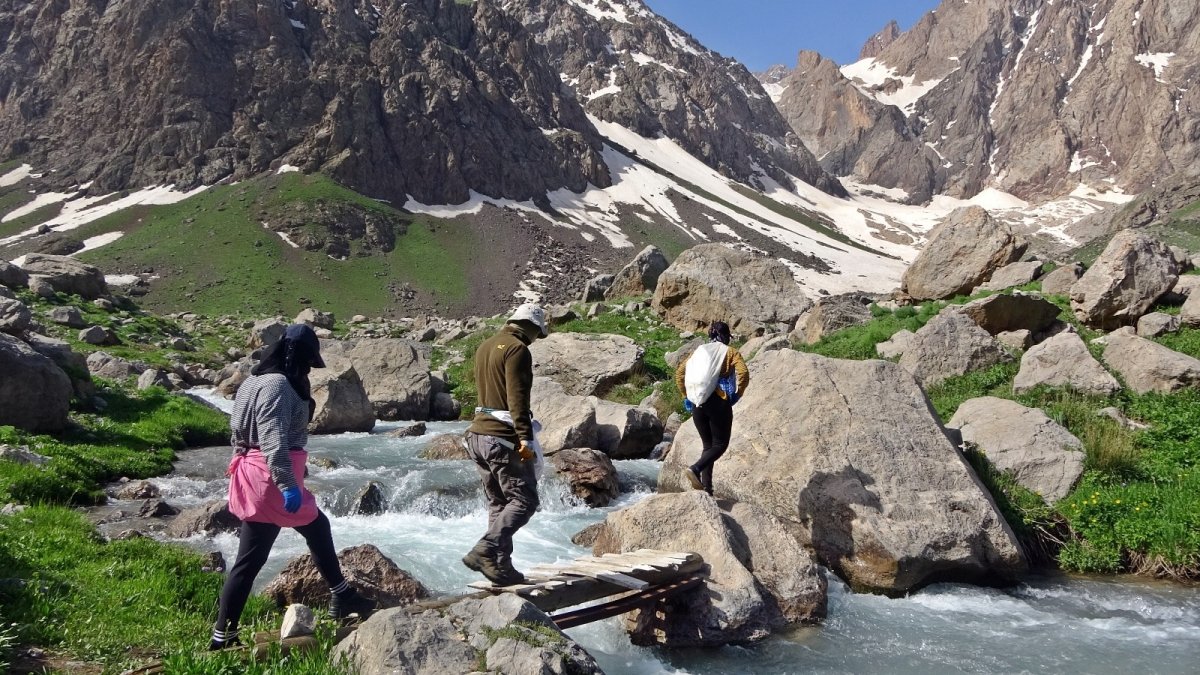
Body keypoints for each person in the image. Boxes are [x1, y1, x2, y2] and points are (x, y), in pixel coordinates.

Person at [210, 324, 374, 650]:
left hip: (251, 471)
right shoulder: (280, 386)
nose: (308, 369)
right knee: (263, 552)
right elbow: (273, 440)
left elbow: (237, 430)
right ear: (297, 356)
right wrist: (287, 484)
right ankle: (222, 638)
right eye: (307, 362)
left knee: (302, 534)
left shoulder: (252, 381)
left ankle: (341, 595)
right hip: (270, 476)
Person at [461, 303, 547, 586]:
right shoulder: (518, 349)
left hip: (477, 435)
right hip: (501, 438)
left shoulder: (485, 345)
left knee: (499, 502)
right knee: (524, 500)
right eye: (538, 333)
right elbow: (516, 398)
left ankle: (500, 567)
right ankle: (484, 549)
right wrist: (525, 438)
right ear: (530, 327)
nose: (537, 338)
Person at [674, 321, 750, 496]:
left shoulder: (698, 352)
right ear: (725, 336)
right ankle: (695, 468)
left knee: (708, 446)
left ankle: (707, 488)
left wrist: (686, 396)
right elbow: (743, 373)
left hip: (697, 403)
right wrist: (738, 394)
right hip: (718, 402)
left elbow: (679, 374)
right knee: (720, 445)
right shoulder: (730, 352)